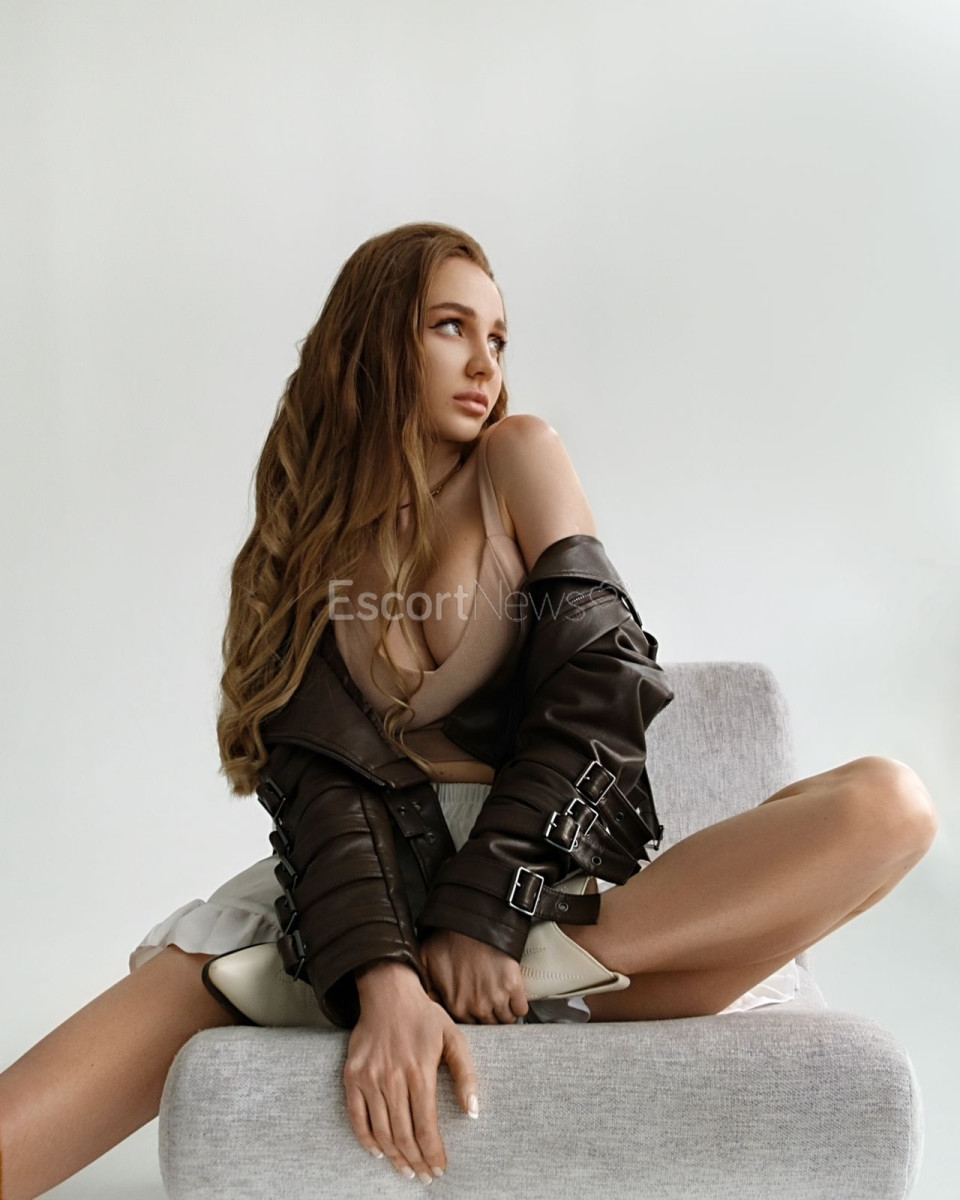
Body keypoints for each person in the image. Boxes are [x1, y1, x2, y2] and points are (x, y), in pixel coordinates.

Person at [0, 222, 940, 1199]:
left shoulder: (517, 459)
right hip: (355, 894)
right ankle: (421, 975)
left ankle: (518, 974)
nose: (486, 363)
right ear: (375, 339)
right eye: (451, 327)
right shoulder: (303, 538)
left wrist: (486, 916)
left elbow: (601, 684)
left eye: (497, 337)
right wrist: (382, 977)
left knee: (889, 806)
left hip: (549, 889)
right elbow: (316, 778)